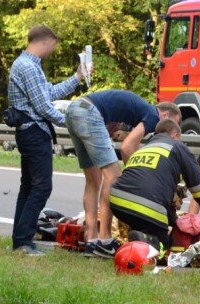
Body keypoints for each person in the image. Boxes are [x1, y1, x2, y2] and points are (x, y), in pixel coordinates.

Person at [65, 90, 181, 258]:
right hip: (88, 112)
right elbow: (127, 148)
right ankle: (105, 241)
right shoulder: (153, 115)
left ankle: (91, 240)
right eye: (171, 124)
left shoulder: (141, 111)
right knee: (113, 176)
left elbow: (131, 145)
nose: (167, 131)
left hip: (75, 109)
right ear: (164, 114)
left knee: (93, 181)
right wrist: (138, 179)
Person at [8, 25, 84, 255]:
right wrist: (71, 122)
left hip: (30, 131)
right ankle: (23, 242)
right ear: (46, 41)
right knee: (41, 187)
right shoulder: (28, 67)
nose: (53, 49)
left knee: (29, 186)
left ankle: (21, 238)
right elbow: (43, 107)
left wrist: (77, 77)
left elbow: (48, 93)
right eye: (53, 45)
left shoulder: (29, 65)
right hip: (33, 132)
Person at [109, 119, 200, 253]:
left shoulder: (144, 148)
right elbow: (199, 187)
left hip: (117, 202)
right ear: (175, 135)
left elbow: (156, 192)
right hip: (146, 205)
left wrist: (174, 221)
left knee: (143, 222)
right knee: (167, 243)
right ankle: (151, 242)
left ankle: (140, 239)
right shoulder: (177, 147)